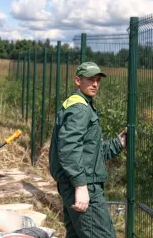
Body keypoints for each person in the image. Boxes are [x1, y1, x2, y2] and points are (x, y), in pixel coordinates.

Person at [49, 62, 127, 238]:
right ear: (78, 80)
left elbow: (89, 151)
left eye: (98, 80)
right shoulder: (80, 109)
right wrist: (81, 186)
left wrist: (118, 144)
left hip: (74, 183)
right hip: (85, 185)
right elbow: (69, 149)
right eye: (90, 79)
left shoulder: (78, 105)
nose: (95, 84)